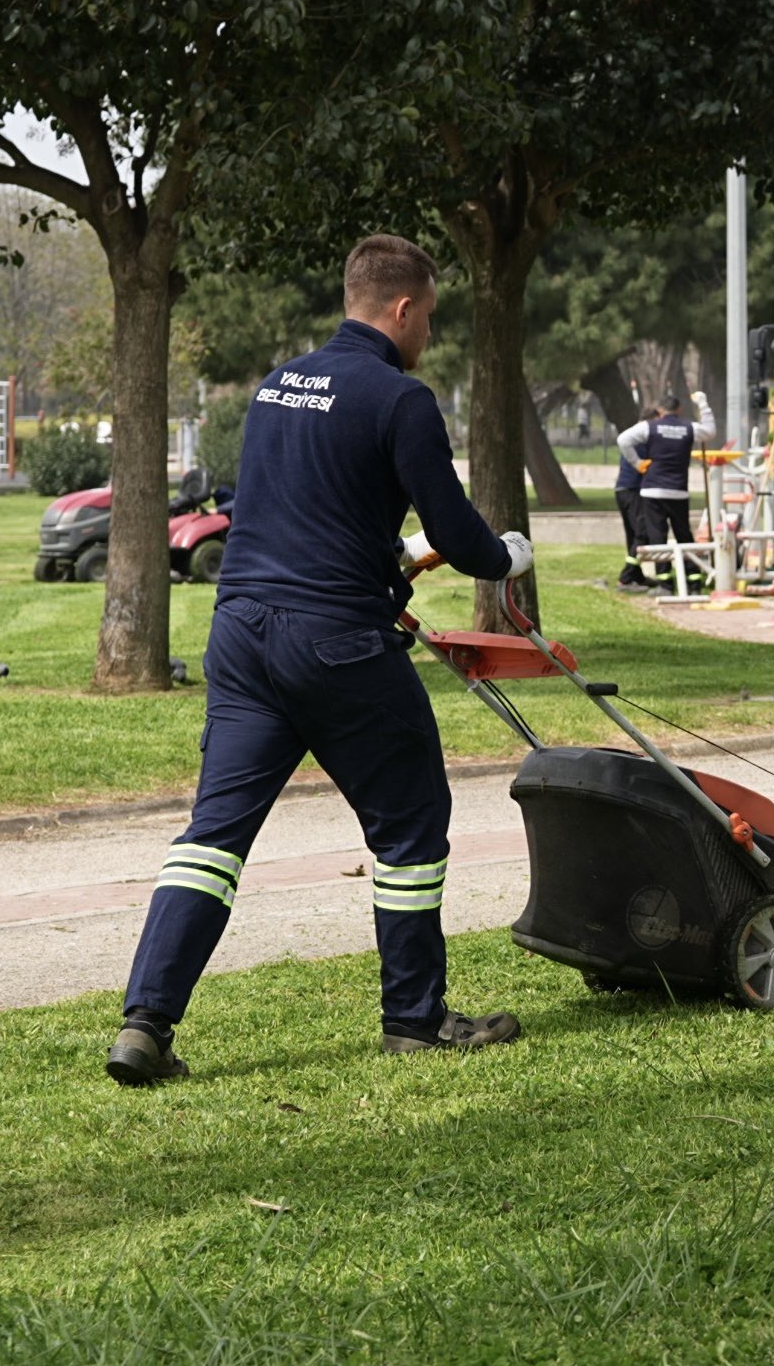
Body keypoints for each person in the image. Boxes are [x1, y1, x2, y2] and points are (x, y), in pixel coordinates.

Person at [107, 235, 534, 1086]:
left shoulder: (277, 384)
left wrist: (386, 562)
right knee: (411, 822)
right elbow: (459, 535)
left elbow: (305, 516)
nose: (428, 336)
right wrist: (505, 558)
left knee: (213, 838)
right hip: (336, 644)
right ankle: (413, 1019)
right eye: (429, 319)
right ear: (404, 309)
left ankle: (143, 1023)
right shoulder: (399, 399)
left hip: (241, 637)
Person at [617, 389, 718, 590]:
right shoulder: (689, 427)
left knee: (657, 537)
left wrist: (637, 463)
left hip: (652, 490)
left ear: (661, 411)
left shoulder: (650, 427)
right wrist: (703, 403)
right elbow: (710, 431)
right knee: (684, 536)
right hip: (678, 491)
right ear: (679, 410)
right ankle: (694, 581)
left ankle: (665, 583)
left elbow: (623, 440)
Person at [613, 405, 659, 590]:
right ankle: (626, 577)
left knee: (633, 535)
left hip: (622, 490)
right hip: (633, 490)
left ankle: (637, 576)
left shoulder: (634, 437)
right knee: (642, 533)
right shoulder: (641, 439)